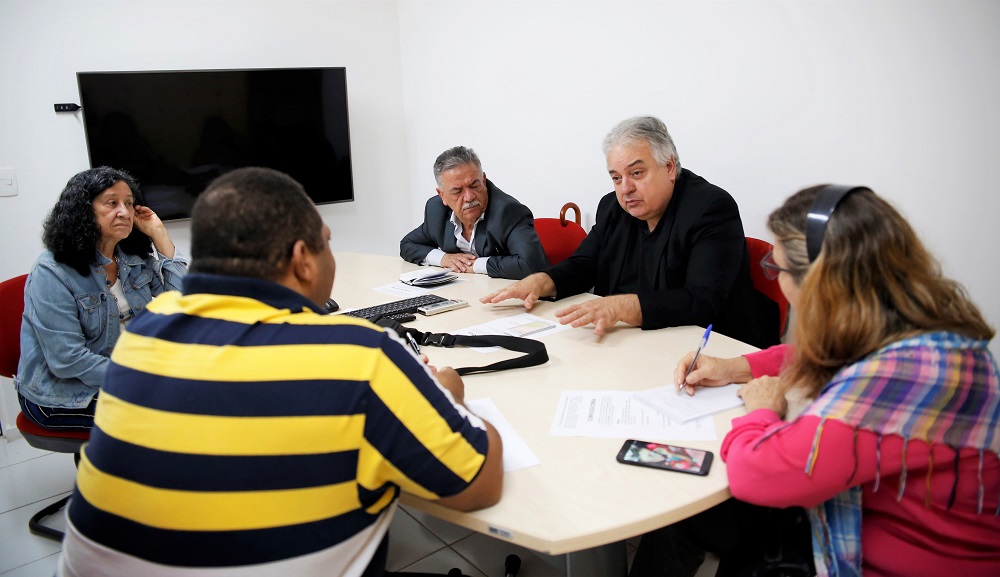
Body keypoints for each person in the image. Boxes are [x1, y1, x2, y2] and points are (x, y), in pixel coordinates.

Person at [58, 167, 504, 577]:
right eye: (326, 242)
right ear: (302, 259)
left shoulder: (142, 336)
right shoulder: (362, 356)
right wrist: (446, 394)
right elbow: (477, 486)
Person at [688, 185, 1000, 576]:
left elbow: (756, 474)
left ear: (820, 282)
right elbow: (831, 357)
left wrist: (762, 410)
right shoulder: (922, 331)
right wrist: (737, 367)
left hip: (900, 563)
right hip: (886, 530)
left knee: (730, 528)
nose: (777, 278)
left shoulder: (901, 375)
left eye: (777, 268)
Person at [481, 116, 777, 349]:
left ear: (670, 167)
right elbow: (586, 264)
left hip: (706, 349)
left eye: (637, 173)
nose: (625, 188)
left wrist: (621, 306)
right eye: (616, 177)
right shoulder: (613, 207)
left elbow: (703, 301)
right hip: (630, 344)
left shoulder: (711, 207)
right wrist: (541, 281)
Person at [16, 166, 186, 431]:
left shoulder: (131, 259)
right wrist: (141, 377)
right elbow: (68, 360)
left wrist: (160, 236)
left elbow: (183, 312)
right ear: (85, 210)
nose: (125, 211)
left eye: (129, 204)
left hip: (124, 372)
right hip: (63, 393)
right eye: (112, 203)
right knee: (167, 418)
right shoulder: (52, 270)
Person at [400, 146, 549, 280]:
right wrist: (443, 258)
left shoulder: (508, 211)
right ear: (442, 195)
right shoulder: (436, 210)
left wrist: (476, 265)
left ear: (483, 180)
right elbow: (407, 244)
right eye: (457, 191)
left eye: (474, 185)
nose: (469, 197)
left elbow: (531, 264)